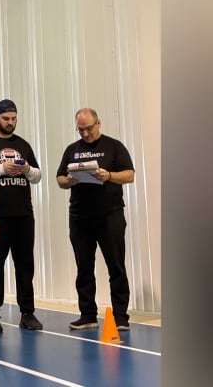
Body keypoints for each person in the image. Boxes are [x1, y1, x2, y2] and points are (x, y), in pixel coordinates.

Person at [56, 108, 135, 331]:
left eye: (89, 128)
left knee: (116, 266)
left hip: (110, 215)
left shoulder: (114, 147)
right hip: (80, 217)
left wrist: (108, 175)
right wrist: (70, 180)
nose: (85, 134)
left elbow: (129, 174)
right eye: (81, 130)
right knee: (84, 267)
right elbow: (59, 178)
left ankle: (120, 317)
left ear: (98, 124)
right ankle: (88, 314)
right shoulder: (72, 149)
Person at [0, 99, 43, 332]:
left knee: (25, 265)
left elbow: (37, 176)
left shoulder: (23, 145)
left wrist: (26, 169)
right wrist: (1, 170)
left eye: (14, 119)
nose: (10, 123)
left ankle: (27, 313)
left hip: (24, 215)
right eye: (6, 119)